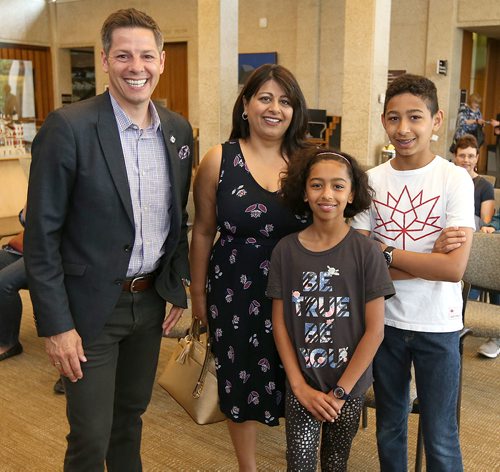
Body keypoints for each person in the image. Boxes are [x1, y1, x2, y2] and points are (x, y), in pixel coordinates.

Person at [24, 8, 193, 471]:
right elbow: (42, 237)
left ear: (161, 60)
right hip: (89, 310)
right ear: (104, 60)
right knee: (90, 435)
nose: (135, 67)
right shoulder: (69, 128)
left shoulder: (176, 130)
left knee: (130, 420)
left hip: (149, 304)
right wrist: (57, 326)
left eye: (145, 55)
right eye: (122, 55)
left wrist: (174, 284)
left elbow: (177, 218)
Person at [351, 74, 475, 471]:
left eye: (415, 117)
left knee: (440, 435)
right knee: (389, 427)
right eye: (393, 118)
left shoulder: (454, 178)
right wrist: (422, 259)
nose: (403, 129)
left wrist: (385, 252)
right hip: (382, 324)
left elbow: (453, 269)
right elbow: (359, 267)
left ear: (436, 121)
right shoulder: (370, 180)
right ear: (383, 121)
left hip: (439, 325)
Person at [189, 64, 310, 471]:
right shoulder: (218, 159)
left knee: (302, 378)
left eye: (285, 100)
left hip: (298, 290)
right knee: (239, 375)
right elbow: (203, 232)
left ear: (295, 110)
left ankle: (301, 459)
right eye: (265, 97)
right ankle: (248, 467)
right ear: (246, 104)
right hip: (233, 290)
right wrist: (198, 297)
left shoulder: (307, 161)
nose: (275, 108)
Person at [266, 148, 395, 471]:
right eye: (317, 185)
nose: (327, 194)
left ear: (352, 194)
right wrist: (298, 385)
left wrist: (340, 391)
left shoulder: (367, 253)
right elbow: (279, 323)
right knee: (299, 463)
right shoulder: (285, 251)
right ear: (304, 192)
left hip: (348, 388)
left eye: (338, 186)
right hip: (302, 385)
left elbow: (375, 330)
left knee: (336, 461)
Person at [452, 133, 495, 231]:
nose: (466, 160)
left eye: (471, 156)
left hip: (472, 232)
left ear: (477, 158)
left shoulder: (486, 186)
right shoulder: (446, 181)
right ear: (455, 156)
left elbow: (485, 224)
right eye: (462, 155)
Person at [0, 208, 26, 361]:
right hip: (24, 248)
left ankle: (8, 342)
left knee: (4, 282)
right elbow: (25, 219)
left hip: (51, 254)